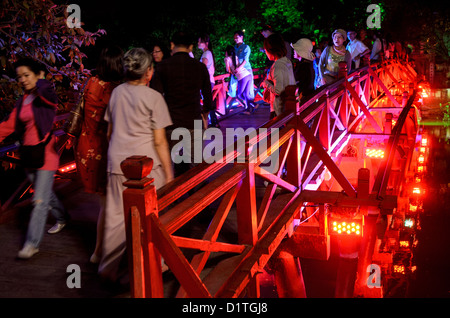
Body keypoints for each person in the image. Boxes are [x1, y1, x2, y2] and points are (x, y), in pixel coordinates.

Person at [99, 48, 174, 283]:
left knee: (115, 217)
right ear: (149, 72)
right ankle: (157, 264)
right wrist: (169, 173)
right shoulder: (154, 97)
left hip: (117, 162)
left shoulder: (117, 93)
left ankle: (107, 268)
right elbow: (160, 140)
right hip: (146, 166)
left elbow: (110, 132)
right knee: (152, 217)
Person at [0, 58, 69, 259]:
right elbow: (9, 125)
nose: (21, 80)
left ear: (38, 75)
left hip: (46, 155)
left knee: (39, 201)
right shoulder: (24, 100)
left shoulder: (47, 95)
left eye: (26, 75)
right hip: (29, 156)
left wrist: (41, 78)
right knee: (46, 194)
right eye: (19, 76)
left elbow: (46, 89)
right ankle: (63, 217)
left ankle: (32, 244)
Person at [67, 45, 124, 264]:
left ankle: (100, 251)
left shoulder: (90, 83)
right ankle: (104, 252)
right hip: (107, 149)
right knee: (111, 205)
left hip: (86, 149)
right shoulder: (117, 90)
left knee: (106, 203)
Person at [151, 31, 213, 177]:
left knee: (171, 167)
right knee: (196, 167)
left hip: (170, 123)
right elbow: (208, 98)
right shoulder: (200, 67)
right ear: (191, 47)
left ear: (172, 45)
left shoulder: (162, 67)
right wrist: (205, 117)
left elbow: (155, 97)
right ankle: (197, 197)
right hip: (194, 122)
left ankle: (174, 198)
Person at [260, 33, 296, 118]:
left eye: (266, 50)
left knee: (273, 131)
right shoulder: (287, 61)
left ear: (271, 50)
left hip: (278, 110)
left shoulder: (277, 66)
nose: (266, 53)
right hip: (289, 106)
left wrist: (266, 84)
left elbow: (278, 91)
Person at [198, 34, 219, 128]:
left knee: (207, 103)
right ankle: (214, 122)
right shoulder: (208, 53)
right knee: (208, 101)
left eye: (200, 42)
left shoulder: (206, 54)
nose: (198, 43)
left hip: (206, 81)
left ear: (206, 43)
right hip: (210, 80)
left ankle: (209, 123)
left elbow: (202, 68)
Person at [233, 30, 255, 115]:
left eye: (237, 37)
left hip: (246, 70)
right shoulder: (234, 48)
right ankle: (250, 107)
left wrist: (239, 68)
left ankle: (250, 107)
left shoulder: (246, 47)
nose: (235, 39)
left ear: (242, 37)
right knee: (244, 93)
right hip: (239, 72)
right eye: (234, 37)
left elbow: (246, 60)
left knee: (247, 92)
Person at [224, 45, 252, 111]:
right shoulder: (235, 57)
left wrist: (231, 71)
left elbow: (228, 70)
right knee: (246, 95)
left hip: (242, 77)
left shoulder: (226, 58)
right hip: (248, 74)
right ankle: (250, 108)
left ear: (227, 52)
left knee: (240, 95)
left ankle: (253, 104)